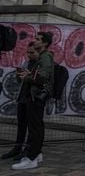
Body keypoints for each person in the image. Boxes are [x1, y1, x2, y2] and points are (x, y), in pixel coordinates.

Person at [12, 32, 54, 170]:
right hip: (35, 96)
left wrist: (27, 77)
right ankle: (36, 153)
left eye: (38, 39)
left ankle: (32, 158)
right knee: (36, 126)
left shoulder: (46, 57)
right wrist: (28, 75)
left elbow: (42, 78)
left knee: (35, 128)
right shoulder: (42, 56)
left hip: (37, 96)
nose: (34, 41)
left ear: (45, 43)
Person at [1, 42, 39, 161]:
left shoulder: (41, 65)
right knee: (21, 125)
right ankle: (17, 148)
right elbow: (21, 81)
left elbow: (41, 82)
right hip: (22, 97)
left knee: (32, 127)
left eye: (32, 52)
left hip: (32, 99)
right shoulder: (27, 63)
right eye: (28, 52)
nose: (29, 54)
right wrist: (19, 75)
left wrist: (29, 76)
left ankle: (28, 149)